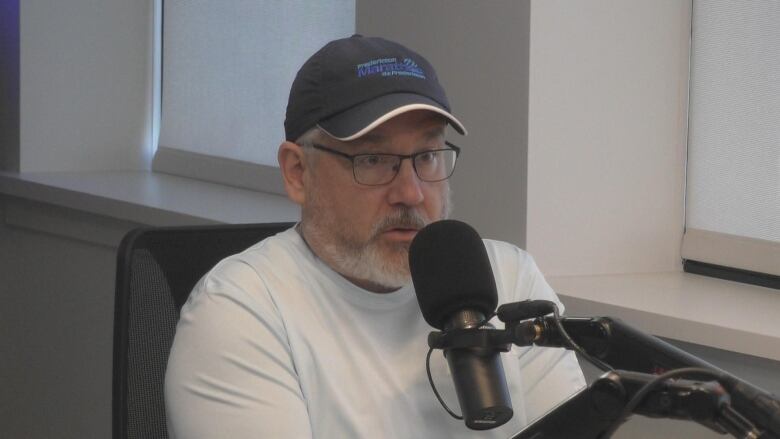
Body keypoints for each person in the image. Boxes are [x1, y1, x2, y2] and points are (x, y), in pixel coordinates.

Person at [165, 34, 585, 438]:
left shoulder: (509, 278)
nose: (410, 192)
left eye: (427, 156)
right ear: (298, 173)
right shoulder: (242, 310)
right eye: (373, 160)